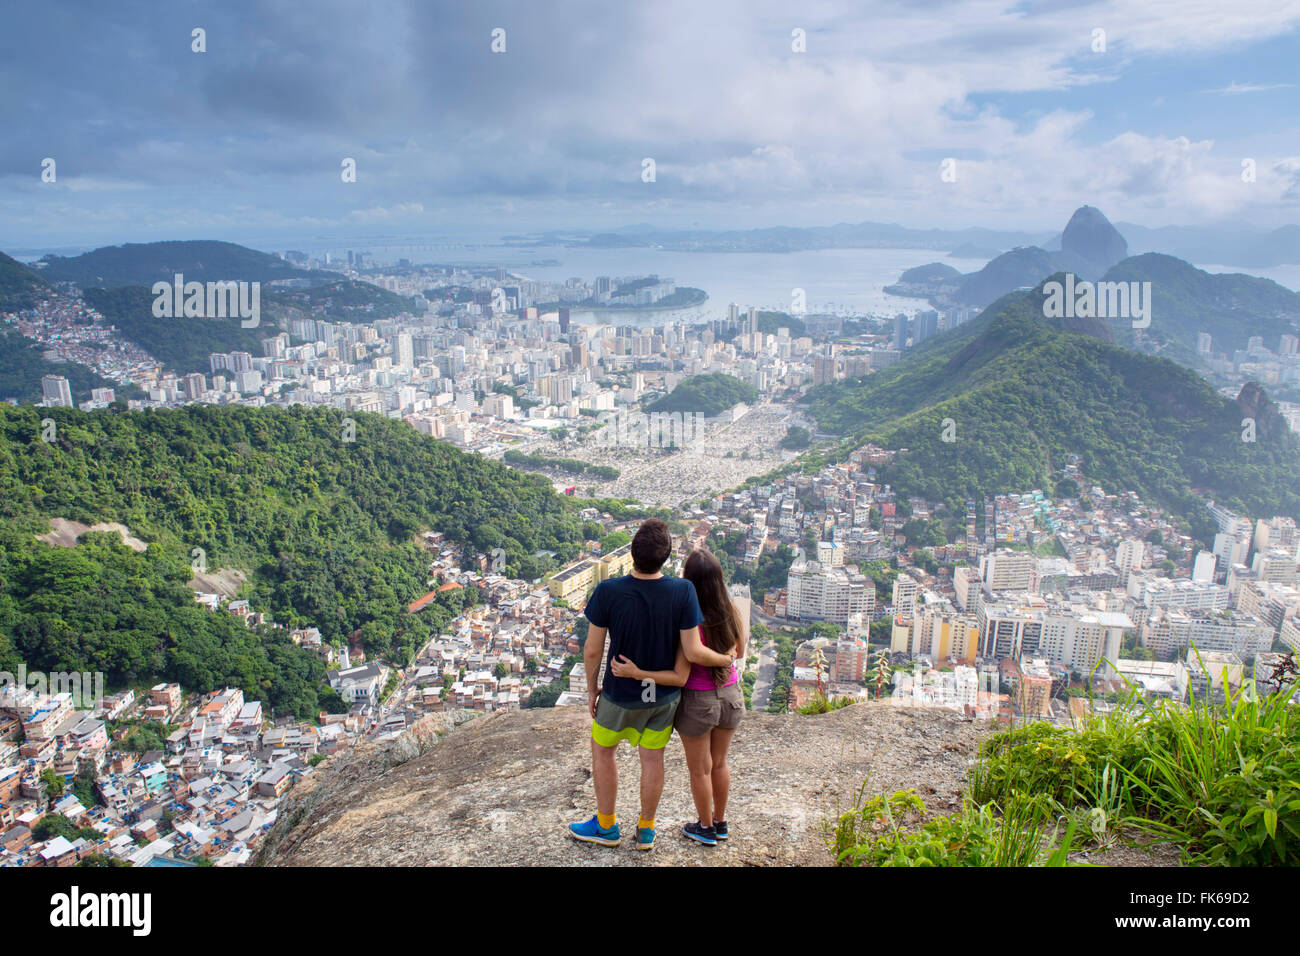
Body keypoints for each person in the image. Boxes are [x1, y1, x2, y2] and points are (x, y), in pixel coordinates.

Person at [567, 520, 735, 852]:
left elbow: (592, 649)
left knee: (603, 751)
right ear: (666, 556)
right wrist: (727, 659)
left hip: (620, 694)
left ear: (632, 554)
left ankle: (606, 825)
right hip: (662, 697)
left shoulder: (608, 591)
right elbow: (690, 649)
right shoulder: (683, 591)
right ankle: (645, 830)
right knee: (652, 757)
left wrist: (591, 689)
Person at [609, 548, 747, 847]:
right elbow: (741, 652)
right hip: (731, 694)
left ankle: (706, 828)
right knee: (721, 763)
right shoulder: (732, 609)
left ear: (689, 580)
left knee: (701, 769)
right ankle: (721, 823)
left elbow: (682, 671)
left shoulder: (689, 618)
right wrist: (724, 659)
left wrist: (637, 673)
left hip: (699, 699)